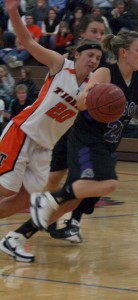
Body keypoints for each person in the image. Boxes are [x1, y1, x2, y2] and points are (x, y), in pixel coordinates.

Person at [29, 30, 138, 252]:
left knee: (92, 184)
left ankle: (67, 221)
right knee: (69, 180)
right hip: (84, 136)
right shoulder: (106, 72)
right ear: (124, 52)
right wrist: (92, 96)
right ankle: (43, 217)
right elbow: (79, 103)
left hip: (107, 143)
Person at [0, 0, 103, 262]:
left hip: (44, 146)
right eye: (90, 55)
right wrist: (13, 12)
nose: (93, 60)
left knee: (24, 200)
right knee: (3, 190)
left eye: (98, 58)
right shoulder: (60, 65)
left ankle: (9, 243)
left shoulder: (91, 89)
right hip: (23, 133)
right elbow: (30, 44)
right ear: (78, 54)